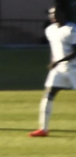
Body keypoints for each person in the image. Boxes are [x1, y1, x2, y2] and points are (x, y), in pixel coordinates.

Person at [30, 8, 75, 137]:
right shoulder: (50, 30)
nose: (52, 16)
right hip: (59, 69)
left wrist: (58, 61)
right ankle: (43, 129)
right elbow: (54, 48)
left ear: (62, 14)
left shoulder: (71, 29)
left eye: (55, 13)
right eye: (50, 14)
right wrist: (53, 62)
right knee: (48, 95)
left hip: (74, 68)